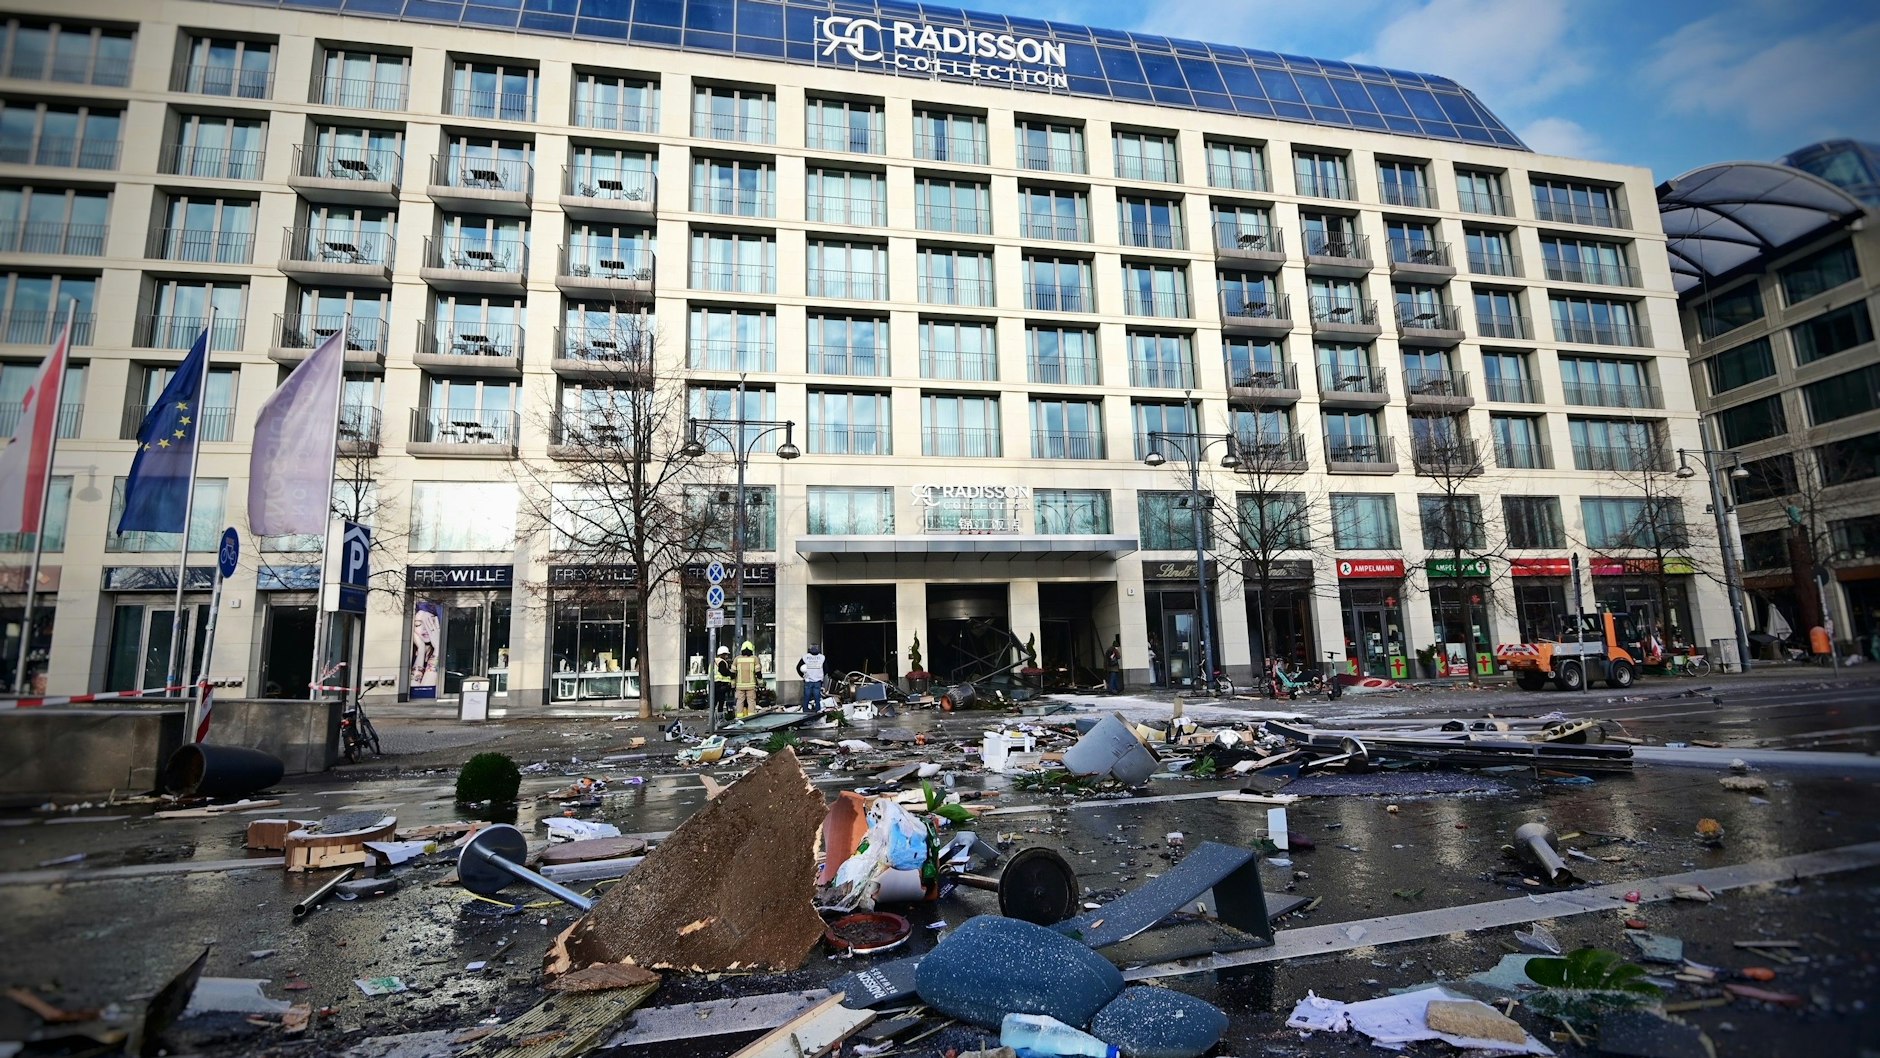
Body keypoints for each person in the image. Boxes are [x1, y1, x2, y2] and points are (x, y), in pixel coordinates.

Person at [734, 640, 760, 718]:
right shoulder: (754, 659)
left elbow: (732, 673)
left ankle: (739, 717)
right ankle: (751, 718)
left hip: (739, 685)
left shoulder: (737, 659)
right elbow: (758, 673)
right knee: (751, 701)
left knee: (740, 701)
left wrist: (732, 684)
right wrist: (760, 683)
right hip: (751, 685)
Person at [797, 643, 827, 713]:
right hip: (818, 681)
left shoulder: (805, 657)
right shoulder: (822, 657)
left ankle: (805, 711)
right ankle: (817, 711)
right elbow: (826, 669)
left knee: (807, 697)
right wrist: (821, 675)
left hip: (808, 680)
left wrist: (803, 675)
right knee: (817, 697)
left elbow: (798, 667)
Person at [712, 644, 734, 711]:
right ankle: (720, 717)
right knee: (721, 702)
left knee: (715, 702)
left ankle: (713, 717)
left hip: (714, 684)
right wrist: (731, 674)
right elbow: (723, 672)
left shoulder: (714, 661)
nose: (727, 656)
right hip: (721, 684)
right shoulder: (721, 662)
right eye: (726, 654)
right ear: (722, 654)